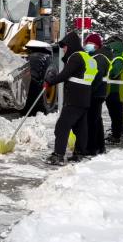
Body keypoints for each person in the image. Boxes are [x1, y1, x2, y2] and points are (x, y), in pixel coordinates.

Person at [45, 31, 98, 165]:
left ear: (71, 45)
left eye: (65, 46)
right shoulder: (88, 58)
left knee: (62, 126)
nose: (63, 49)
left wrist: (51, 81)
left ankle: (58, 155)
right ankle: (79, 153)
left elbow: (65, 74)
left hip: (74, 97)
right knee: (81, 127)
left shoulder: (75, 57)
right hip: (85, 97)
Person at [79, 33, 110, 156]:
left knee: (92, 121)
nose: (87, 45)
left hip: (97, 93)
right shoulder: (96, 57)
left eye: (89, 43)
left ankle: (92, 148)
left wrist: (89, 91)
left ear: (96, 45)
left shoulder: (100, 58)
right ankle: (100, 146)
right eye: (86, 43)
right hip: (98, 93)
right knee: (97, 120)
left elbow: (97, 76)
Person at [104, 38, 123, 145]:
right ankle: (115, 133)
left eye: (111, 48)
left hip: (116, 91)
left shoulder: (118, 60)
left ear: (115, 49)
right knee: (114, 114)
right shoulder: (115, 59)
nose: (110, 51)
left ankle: (116, 136)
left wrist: (105, 72)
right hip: (112, 90)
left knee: (116, 114)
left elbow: (114, 73)